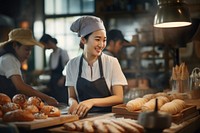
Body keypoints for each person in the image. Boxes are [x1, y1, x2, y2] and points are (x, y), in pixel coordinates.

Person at [65, 16, 128, 118]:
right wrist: (72, 103)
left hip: (109, 118)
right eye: (97, 39)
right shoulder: (71, 65)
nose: (101, 44)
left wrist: (92, 102)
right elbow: (71, 96)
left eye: (104, 40)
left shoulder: (112, 62)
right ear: (83, 40)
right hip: (82, 118)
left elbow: (119, 97)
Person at [0, 28, 58, 106]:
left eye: (30, 50)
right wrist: (47, 98)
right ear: (15, 45)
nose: (29, 53)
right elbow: (20, 86)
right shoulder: (9, 59)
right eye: (27, 49)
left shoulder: (12, 59)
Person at [39, 34, 69, 103]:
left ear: (49, 42)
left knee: (61, 101)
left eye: (44, 45)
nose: (44, 47)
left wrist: (63, 77)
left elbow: (69, 67)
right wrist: (42, 72)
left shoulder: (62, 52)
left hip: (61, 81)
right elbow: (51, 70)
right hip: (53, 81)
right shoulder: (51, 54)